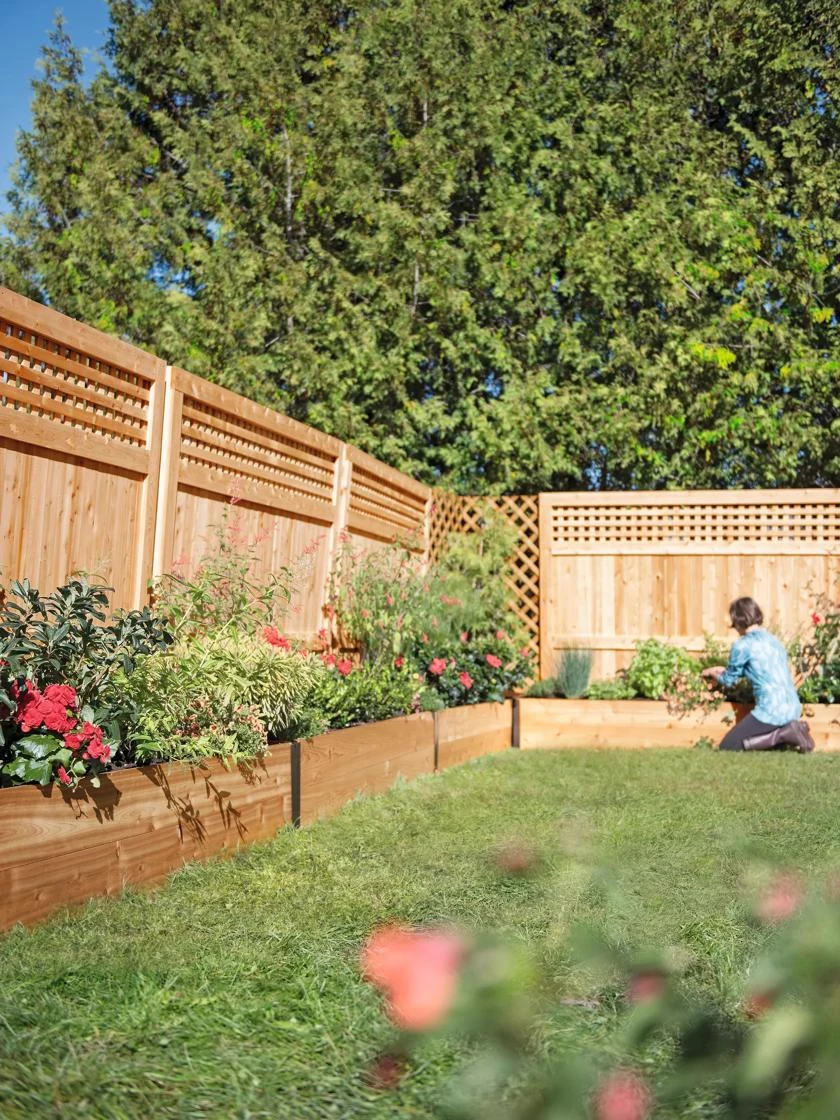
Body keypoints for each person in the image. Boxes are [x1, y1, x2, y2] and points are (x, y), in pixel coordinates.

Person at [701, 596, 814, 753]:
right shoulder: (774, 641)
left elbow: (729, 681)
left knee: (728, 746)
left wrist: (712, 673)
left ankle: (784, 734)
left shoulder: (742, 645)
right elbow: (761, 670)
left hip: (771, 710)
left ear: (738, 620)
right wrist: (723, 670)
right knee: (766, 745)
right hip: (793, 707)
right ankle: (792, 730)